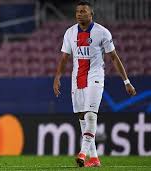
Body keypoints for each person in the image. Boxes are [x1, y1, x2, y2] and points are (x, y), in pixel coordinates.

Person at [53, 1, 136, 167]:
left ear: (91, 14)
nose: (79, 14)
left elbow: (114, 57)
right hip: (77, 79)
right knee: (82, 117)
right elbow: (64, 58)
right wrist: (57, 77)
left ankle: (82, 154)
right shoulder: (69, 33)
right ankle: (95, 158)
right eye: (77, 11)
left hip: (95, 77)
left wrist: (126, 81)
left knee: (91, 114)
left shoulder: (102, 32)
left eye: (83, 11)